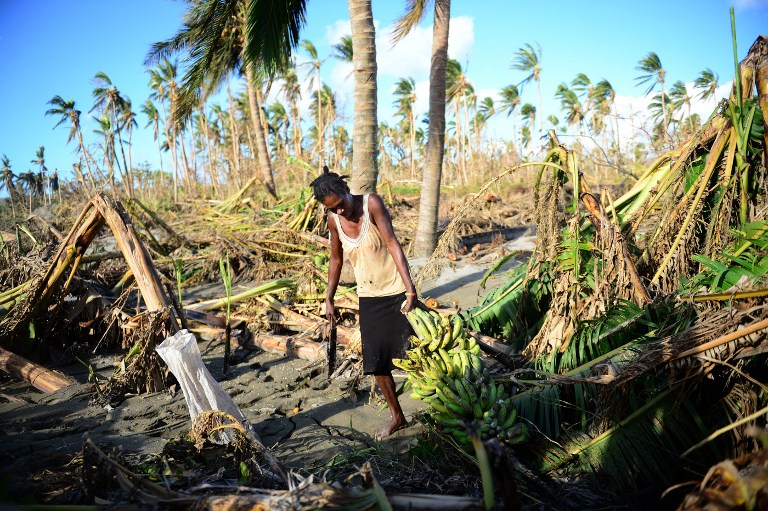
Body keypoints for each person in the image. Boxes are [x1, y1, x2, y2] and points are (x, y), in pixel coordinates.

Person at [310, 167, 417, 440]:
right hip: (369, 297)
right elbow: (336, 259)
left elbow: (393, 244)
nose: (342, 212)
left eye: (342, 205)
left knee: (419, 351)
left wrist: (410, 290)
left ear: (346, 190)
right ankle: (398, 417)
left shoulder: (371, 204)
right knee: (377, 362)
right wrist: (329, 298)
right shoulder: (334, 220)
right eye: (334, 209)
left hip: (395, 290)